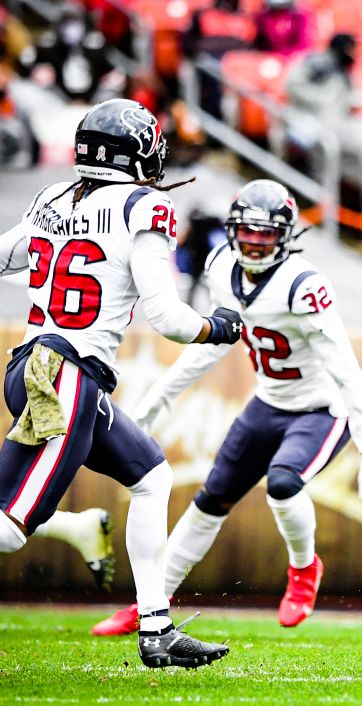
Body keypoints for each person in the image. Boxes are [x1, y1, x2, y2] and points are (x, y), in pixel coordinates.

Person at [0, 99, 243, 668]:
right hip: (66, 380)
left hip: (38, 368)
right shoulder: (143, 206)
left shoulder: (53, 199)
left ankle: (155, 629)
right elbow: (170, 320)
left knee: (151, 476)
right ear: (134, 151)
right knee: (10, 530)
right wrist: (217, 325)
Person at [90, 179, 362, 636]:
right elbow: (212, 345)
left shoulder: (302, 285)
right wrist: (156, 404)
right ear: (232, 230)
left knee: (284, 484)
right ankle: (150, 604)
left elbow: (345, 367)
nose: (253, 243)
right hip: (268, 401)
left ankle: (304, 568)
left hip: (323, 408)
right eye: (246, 232)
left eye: (265, 234)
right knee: (210, 499)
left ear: (286, 236)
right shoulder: (220, 266)